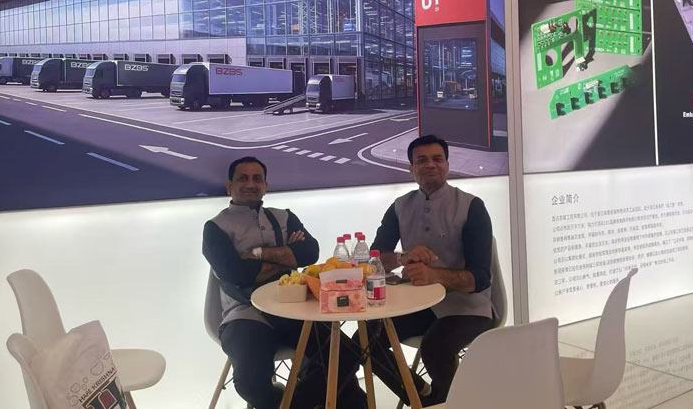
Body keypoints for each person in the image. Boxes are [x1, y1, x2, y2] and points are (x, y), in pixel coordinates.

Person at [203, 156, 366, 409]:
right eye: (243, 178)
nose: (251, 184)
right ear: (229, 186)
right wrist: (286, 254)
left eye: (257, 179)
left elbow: (309, 252)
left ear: (265, 186)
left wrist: (258, 255)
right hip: (245, 314)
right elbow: (236, 273)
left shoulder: (284, 217)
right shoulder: (215, 228)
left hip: (294, 308)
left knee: (346, 356)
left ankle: (293, 404)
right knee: (250, 383)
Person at [366, 135, 495, 407]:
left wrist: (435, 275)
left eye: (438, 159)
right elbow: (374, 259)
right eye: (422, 160)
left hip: (466, 307)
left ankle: (447, 403)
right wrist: (402, 258)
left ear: (447, 165)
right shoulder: (399, 206)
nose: (430, 165)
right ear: (411, 168)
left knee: (435, 347)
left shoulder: (472, 206)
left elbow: (480, 278)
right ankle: (422, 395)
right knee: (366, 341)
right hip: (417, 304)